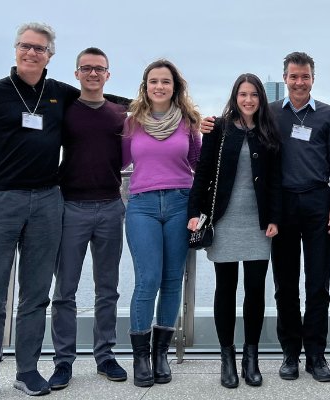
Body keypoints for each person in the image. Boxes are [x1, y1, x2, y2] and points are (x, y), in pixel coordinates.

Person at [0, 22, 125, 400]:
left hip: (48, 201)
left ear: (50, 55)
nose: (32, 52)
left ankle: (27, 371)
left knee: (35, 296)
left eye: (40, 48)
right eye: (26, 46)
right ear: (16, 49)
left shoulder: (59, 93)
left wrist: (167, 105)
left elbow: (103, 97)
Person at [199, 52, 330, 382]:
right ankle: (290, 353)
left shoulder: (328, 114)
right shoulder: (270, 114)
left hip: (318, 202)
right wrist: (206, 124)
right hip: (281, 205)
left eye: (305, 76)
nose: (299, 82)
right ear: (285, 78)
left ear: (313, 78)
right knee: (285, 285)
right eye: (293, 76)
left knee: (318, 284)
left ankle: (316, 355)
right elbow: (236, 128)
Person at [188, 73, 282, 389]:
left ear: (261, 98)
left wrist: (274, 217)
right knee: (225, 289)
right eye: (243, 94)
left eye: (254, 94)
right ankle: (227, 357)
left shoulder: (268, 130)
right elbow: (203, 172)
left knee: (255, 290)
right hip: (224, 220)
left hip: (258, 223)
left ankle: (250, 358)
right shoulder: (218, 128)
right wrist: (193, 213)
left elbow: (275, 179)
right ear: (235, 97)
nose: (248, 100)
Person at [47, 47, 128, 390]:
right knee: (64, 290)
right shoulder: (64, 110)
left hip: (111, 206)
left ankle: (105, 356)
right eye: (86, 68)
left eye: (99, 69)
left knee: (107, 289)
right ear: (76, 73)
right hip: (71, 207)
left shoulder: (121, 112)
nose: (93, 73)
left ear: (108, 75)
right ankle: (63, 361)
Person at [122, 59, 202, 387]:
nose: (159, 86)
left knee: (171, 281)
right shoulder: (132, 123)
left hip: (180, 203)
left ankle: (160, 355)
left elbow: (200, 163)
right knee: (147, 280)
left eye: (165, 81)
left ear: (174, 87)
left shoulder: (188, 122)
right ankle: (140, 357)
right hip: (142, 206)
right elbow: (115, 161)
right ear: (145, 86)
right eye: (153, 81)